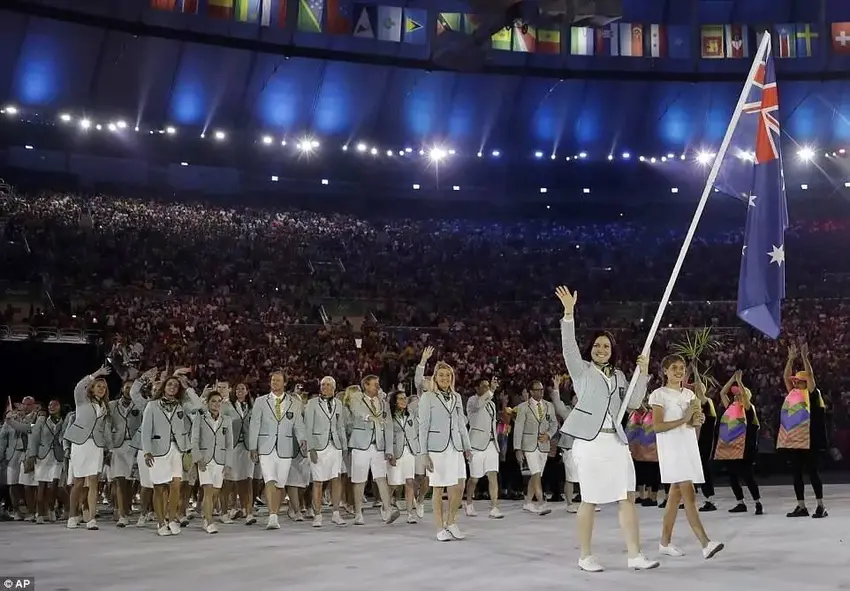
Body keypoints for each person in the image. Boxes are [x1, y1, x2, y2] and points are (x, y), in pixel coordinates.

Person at [555, 285, 658, 572]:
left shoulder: (622, 376)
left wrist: (645, 372)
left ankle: (635, 555)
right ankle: (585, 555)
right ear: (591, 350)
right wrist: (568, 313)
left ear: (613, 352)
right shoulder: (582, 371)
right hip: (590, 443)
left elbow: (636, 402)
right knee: (589, 499)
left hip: (617, 442)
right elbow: (568, 347)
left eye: (607, 346)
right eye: (598, 346)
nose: (602, 349)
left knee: (627, 496)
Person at [650, 354, 723, 559]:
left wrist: (696, 421)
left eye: (681, 368)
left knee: (675, 495)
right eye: (674, 367)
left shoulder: (690, 395)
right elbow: (657, 426)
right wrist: (685, 419)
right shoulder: (659, 394)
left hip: (687, 447)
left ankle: (664, 542)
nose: (679, 371)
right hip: (672, 450)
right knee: (689, 494)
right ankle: (705, 543)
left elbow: (692, 425)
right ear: (665, 371)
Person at [247, 370, 308, 530]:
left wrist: (302, 440)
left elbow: (298, 424)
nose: (275, 383)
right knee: (269, 479)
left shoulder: (294, 403)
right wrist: (253, 446)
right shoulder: (261, 401)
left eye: (278, 380)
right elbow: (254, 424)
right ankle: (272, 516)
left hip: (285, 447)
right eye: (273, 380)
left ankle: (274, 511)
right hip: (266, 446)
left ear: (284, 383)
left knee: (280, 484)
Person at [419, 360, 472, 541]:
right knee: (438, 488)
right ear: (435, 377)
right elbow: (423, 427)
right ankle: (439, 527)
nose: (444, 378)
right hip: (437, 448)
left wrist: (467, 447)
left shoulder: (456, 397)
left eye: (448, 375)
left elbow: (460, 423)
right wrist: (424, 453)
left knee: (459, 485)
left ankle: (451, 522)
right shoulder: (428, 397)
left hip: (455, 446)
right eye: (441, 375)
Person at [780, 344, 828, 518]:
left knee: (813, 472)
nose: (795, 382)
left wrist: (805, 358)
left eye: (798, 381)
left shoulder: (813, 394)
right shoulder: (793, 394)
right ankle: (801, 506)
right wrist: (791, 359)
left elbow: (811, 376)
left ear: (805, 382)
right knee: (797, 473)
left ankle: (821, 506)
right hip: (796, 439)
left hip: (810, 439)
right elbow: (785, 376)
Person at [65, 366, 114, 530]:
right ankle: (72, 515)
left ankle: (91, 518)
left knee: (93, 481)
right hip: (81, 443)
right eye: (99, 386)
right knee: (78, 481)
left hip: (96, 445)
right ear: (92, 388)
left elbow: (104, 429)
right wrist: (95, 375)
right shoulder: (82, 400)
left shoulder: (105, 407)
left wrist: (109, 448)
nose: (101, 389)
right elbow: (79, 387)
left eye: (104, 387)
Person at [714, 371, 762, 515]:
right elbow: (723, 393)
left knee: (748, 476)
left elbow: (746, 401)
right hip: (729, 447)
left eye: (739, 394)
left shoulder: (748, 409)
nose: (735, 396)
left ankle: (757, 502)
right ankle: (740, 502)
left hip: (745, 448)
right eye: (735, 394)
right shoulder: (731, 407)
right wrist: (733, 379)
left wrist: (740, 383)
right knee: (732, 477)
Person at [304, 376, 347, 528]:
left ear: (334, 388)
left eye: (328, 385)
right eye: (322, 385)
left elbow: (340, 426)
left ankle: (336, 513)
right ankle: (318, 515)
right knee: (318, 481)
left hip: (335, 446)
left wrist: (344, 446)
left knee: (336, 479)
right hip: (318, 446)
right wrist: (311, 448)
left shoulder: (339, 404)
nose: (324, 387)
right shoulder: (312, 403)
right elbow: (307, 427)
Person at [191, 389, 233, 534]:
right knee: (207, 490)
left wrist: (228, 464)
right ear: (207, 403)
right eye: (213, 401)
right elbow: (194, 439)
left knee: (215, 492)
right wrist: (198, 458)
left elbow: (229, 444)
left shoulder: (226, 420)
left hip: (220, 460)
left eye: (218, 401)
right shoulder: (200, 418)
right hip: (205, 460)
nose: (216, 404)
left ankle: (206, 517)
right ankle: (209, 521)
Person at [513, 380, 558, 516]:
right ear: (531, 391)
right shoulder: (523, 407)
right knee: (536, 472)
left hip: (543, 445)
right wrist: (517, 448)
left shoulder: (549, 405)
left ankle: (527, 502)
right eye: (537, 390)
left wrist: (549, 435)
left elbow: (554, 423)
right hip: (529, 445)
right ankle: (541, 502)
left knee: (536, 474)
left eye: (542, 389)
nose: (540, 392)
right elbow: (518, 428)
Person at [464, 378, 503, 519]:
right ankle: (468, 503)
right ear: (477, 388)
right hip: (476, 445)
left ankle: (494, 507)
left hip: (491, 444)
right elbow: (480, 404)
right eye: (484, 386)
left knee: (493, 475)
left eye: (489, 386)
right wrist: (491, 391)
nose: (487, 388)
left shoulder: (492, 404)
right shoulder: (472, 401)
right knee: (474, 478)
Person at [387, 388, 421, 524]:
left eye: (405, 398)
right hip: (396, 452)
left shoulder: (410, 414)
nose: (403, 400)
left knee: (409, 482)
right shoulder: (389, 416)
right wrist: (390, 454)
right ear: (394, 402)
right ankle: (386, 506)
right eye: (400, 398)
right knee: (393, 484)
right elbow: (388, 436)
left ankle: (410, 513)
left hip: (410, 452)